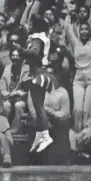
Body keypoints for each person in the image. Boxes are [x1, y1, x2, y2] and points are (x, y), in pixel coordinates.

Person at [13, 17, 58, 153]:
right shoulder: (42, 37)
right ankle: (39, 135)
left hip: (38, 74)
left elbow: (33, 53)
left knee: (38, 107)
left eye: (32, 24)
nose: (30, 26)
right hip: (40, 72)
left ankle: (46, 135)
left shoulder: (37, 38)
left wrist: (20, 49)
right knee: (39, 106)